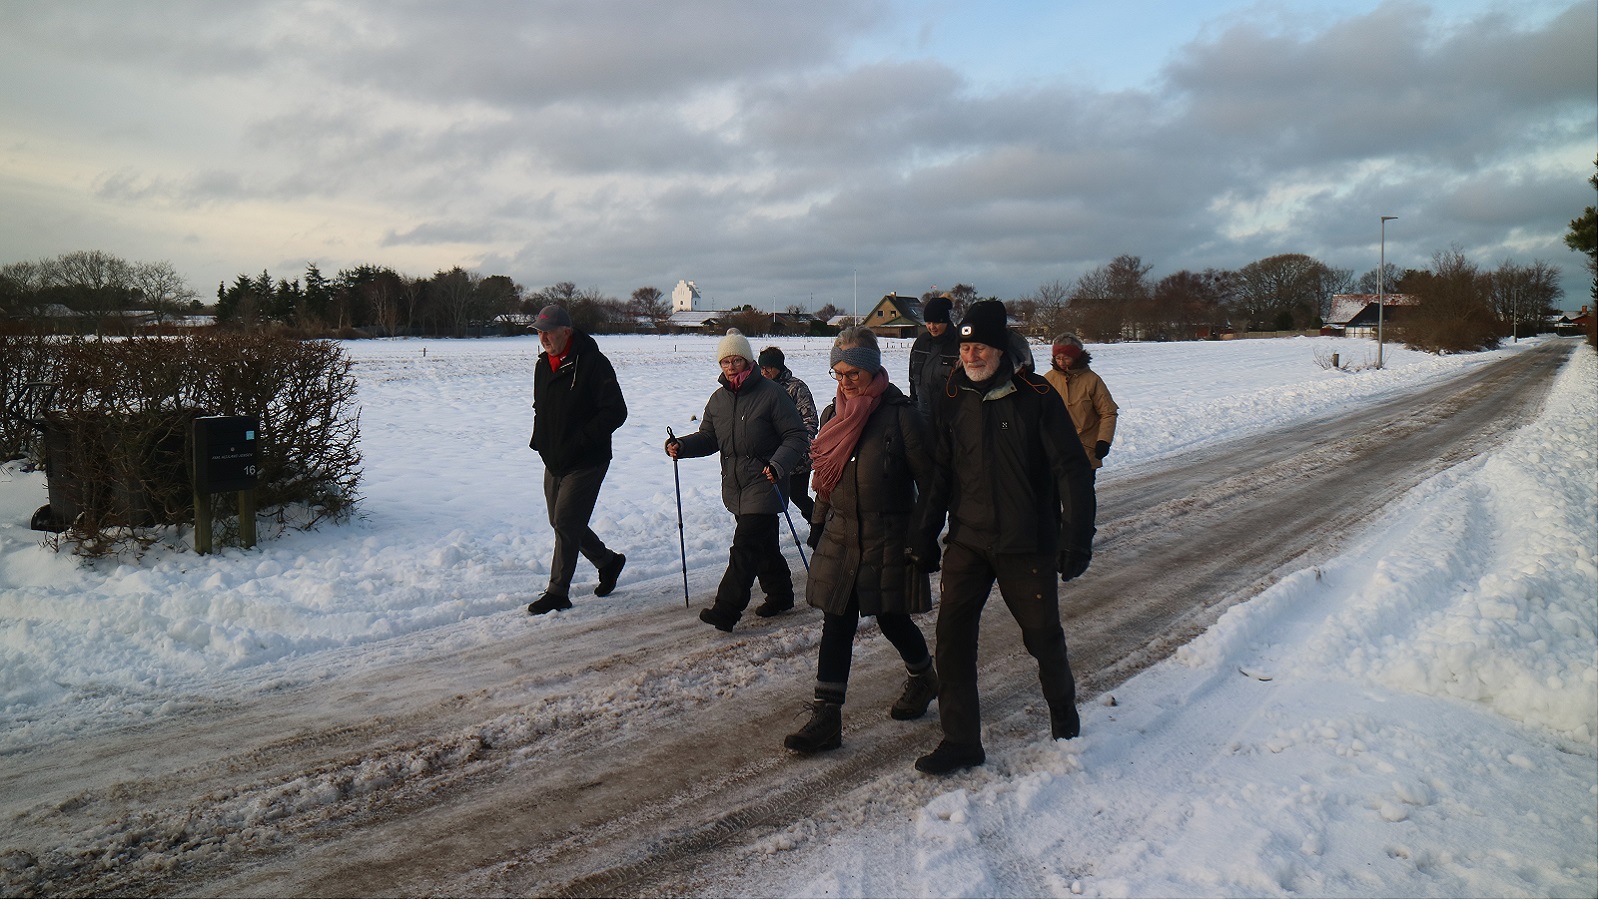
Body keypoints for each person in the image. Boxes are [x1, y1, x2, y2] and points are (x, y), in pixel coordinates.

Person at [909, 300, 1097, 775]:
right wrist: (923, 535)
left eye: (979, 347)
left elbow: (1072, 470)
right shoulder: (954, 395)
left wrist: (1076, 537)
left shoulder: (1037, 396)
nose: (970, 356)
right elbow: (940, 473)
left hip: (1026, 542)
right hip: (968, 540)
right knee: (952, 640)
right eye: (964, 348)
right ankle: (961, 742)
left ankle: (1063, 715)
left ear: (999, 349)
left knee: (1042, 637)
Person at [783, 326, 939, 754]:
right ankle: (826, 718)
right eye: (838, 373)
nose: (846, 381)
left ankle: (924, 677)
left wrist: (925, 536)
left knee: (891, 617)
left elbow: (931, 483)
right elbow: (826, 477)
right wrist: (818, 522)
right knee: (837, 619)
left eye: (853, 373)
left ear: (873, 370)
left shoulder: (902, 417)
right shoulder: (834, 415)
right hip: (841, 533)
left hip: (888, 536)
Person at [666, 329, 809, 631]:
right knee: (763, 545)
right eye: (725, 361)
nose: (730, 367)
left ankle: (727, 609)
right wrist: (682, 445)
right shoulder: (718, 400)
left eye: (736, 360)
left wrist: (778, 464)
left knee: (744, 546)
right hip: (735, 485)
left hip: (765, 480)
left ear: (748, 361)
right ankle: (781, 595)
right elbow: (709, 437)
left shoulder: (772, 394)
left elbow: (796, 435)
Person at [526, 304, 629, 615]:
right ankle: (607, 562)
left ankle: (558, 591)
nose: (543, 338)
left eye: (548, 332)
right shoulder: (543, 365)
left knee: (567, 522)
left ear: (566, 332)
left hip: (588, 459)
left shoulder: (593, 363)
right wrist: (540, 440)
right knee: (561, 522)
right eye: (539, 332)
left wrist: (582, 441)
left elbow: (616, 411)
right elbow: (540, 408)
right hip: (554, 457)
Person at [1043, 333, 1119, 475]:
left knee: (1081, 489)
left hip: (1085, 451)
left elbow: (1108, 412)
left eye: (1066, 358)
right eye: (1058, 358)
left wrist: (1103, 441)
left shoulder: (1092, 380)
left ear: (1076, 357)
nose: (1061, 363)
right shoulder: (1047, 379)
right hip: (1054, 452)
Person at [758, 346, 818, 523]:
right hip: (769, 456)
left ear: (779, 366)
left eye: (769, 368)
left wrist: (800, 445)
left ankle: (818, 524)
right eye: (762, 368)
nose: (764, 372)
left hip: (797, 456)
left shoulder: (796, 387)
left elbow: (810, 421)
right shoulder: (760, 388)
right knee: (767, 500)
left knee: (798, 496)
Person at [907, 294, 959, 419]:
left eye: (936, 322)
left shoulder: (959, 345)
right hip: (921, 415)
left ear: (945, 321)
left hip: (950, 419)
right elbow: (913, 381)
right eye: (928, 322)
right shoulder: (921, 343)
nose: (932, 327)